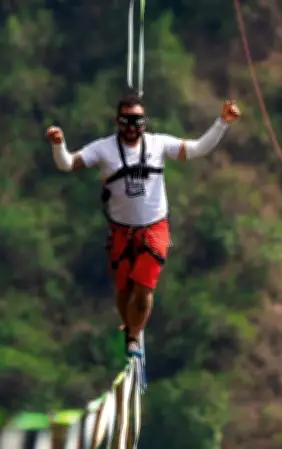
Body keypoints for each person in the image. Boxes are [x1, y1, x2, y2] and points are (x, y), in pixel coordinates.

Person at [45, 90, 241, 358]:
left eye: (137, 121)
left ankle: (135, 337)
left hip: (155, 227)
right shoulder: (103, 149)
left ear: (145, 123)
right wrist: (59, 144)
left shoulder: (158, 144)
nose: (132, 127)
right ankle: (130, 326)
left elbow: (196, 149)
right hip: (120, 230)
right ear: (117, 122)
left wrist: (222, 122)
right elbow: (67, 164)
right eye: (126, 121)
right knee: (124, 288)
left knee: (144, 286)